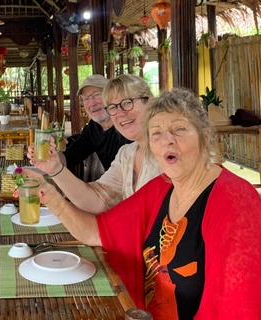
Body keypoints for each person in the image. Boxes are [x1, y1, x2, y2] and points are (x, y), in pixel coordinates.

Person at [20, 88, 261, 319]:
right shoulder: (162, 188)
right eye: (156, 132)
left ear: (205, 136)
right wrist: (50, 196)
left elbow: (238, 309)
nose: (167, 140)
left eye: (179, 129)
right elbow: (96, 232)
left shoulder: (234, 200)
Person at [28, 74, 163, 213]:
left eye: (127, 102)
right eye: (86, 98)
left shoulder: (164, 149)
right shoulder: (124, 150)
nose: (91, 103)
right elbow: (97, 197)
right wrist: (53, 164)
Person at [60, 74, 131, 180]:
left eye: (97, 95)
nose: (92, 103)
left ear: (111, 95)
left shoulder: (126, 126)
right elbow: (69, 158)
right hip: (114, 188)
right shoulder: (94, 128)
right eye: (86, 99)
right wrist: (50, 155)